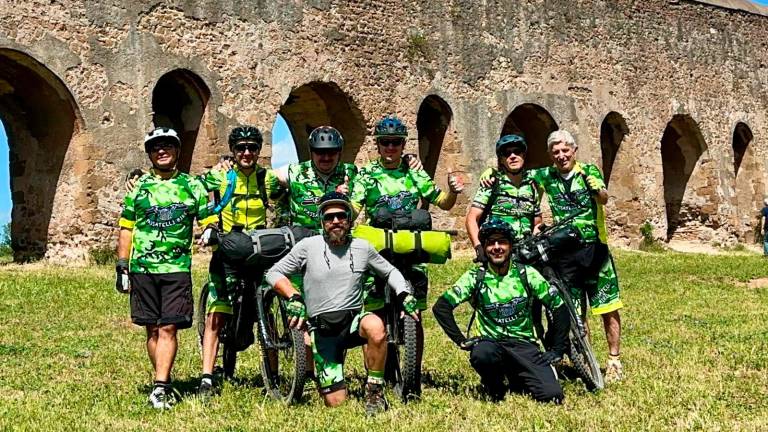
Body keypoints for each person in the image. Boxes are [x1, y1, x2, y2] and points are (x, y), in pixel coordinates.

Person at [265, 192, 417, 415]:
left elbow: (390, 272)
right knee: (337, 403)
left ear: (349, 219)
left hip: (353, 322)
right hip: (322, 330)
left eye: (341, 216)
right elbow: (273, 272)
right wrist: (293, 296)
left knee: (376, 327)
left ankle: (374, 391)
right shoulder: (308, 246)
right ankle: (326, 378)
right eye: (329, 217)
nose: (335, 221)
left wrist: (404, 294)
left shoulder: (363, 248)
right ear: (321, 221)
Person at [349, 114, 463, 389]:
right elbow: (354, 208)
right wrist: (341, 209)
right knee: (374, 313)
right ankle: (374, 375)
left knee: (415, 314)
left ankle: (413, 372)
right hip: (380, 250)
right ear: (378, 145)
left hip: (411, 249)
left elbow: (444, 203)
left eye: (396, 143)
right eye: (386, 142)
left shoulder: (414, 172)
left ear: (403, 145)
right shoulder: (366, 174)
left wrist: (453, 192)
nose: (391, 148)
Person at [115, 127, 216, 409]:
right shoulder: (139, 188)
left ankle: (160, 387)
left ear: (177, 151)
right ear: (149, 153)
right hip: (142, 268)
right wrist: (122, 265)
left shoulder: (192, 185)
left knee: (169, 327)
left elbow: (207, 217)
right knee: (152, 330)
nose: (162, 151)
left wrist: (209, 230)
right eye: (156, 147)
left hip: (176, 268)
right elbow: (126, 227)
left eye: (168, 146)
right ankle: (163, 379)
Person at [432, 218, 569, 403]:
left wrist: (558, 349)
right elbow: (441, 307)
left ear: (511, 246)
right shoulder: (476, 277)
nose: (497, 247)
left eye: (502, 242)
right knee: (482, 354)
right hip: (491, 344)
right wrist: (461, 340)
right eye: (491, 243)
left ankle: (517, 376)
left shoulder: (526, 273)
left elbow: (559, 306)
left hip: (524, 345)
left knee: (552, 396)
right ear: (485, 248)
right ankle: (494, 386)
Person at [530, 129, 624, 383]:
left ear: (574, 151)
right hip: (565, 253)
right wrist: (489, 173)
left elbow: (603, 198)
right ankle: (587, 359)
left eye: (565, 151)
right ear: (551, 155)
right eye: (556, 152)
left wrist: (598, 190)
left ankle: (614, 360)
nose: (561, 156)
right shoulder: (546, 176)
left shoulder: (588, 171)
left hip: (594, 250)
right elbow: (517, 179)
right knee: (575, 312)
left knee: (607, 306)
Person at [196, 125, 279, 397]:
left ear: (259, 151)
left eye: (252, 148)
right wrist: (208, 223)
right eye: (241, 148)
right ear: (232, 151)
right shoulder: (221, 177)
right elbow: (194, 191)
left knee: (267, 309)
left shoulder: (267, 179)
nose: (247, 153)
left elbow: (293, 192)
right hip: (230, 248)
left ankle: (274, 376)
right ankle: (207, 376)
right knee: (217, 313)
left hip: (259, 251)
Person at [466, 134, 542, 263]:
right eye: (506, 153)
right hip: (499, 250)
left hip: (525, 251)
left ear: (523, 155)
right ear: (501, 160)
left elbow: (538, 223)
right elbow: (471, 218)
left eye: (517, 152)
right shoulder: (491, 183)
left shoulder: (532, 186)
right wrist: (479, 247)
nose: (512, 156)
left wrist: (533, 243)